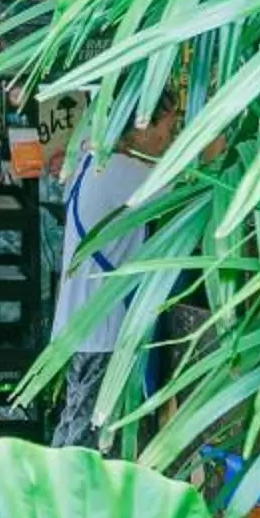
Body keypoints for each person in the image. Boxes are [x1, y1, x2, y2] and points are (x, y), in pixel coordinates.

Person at [50, 91, 182, 449]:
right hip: (103, 330)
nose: (169, 140)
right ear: (141, 126)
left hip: (81, 324)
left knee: (76, 425)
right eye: (169, 129)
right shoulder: (123, 172)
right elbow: (193, 190)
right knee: (88, 443)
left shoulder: (91, 162)